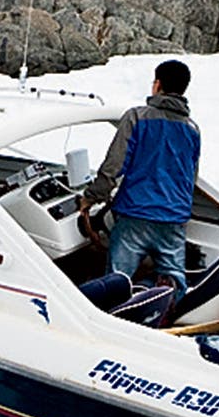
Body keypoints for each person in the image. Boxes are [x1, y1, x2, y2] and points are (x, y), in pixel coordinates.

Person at [85, 59, 201, 296]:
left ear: (157, 84)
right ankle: (169, 322)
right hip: (174, 221)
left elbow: (114, 166)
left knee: (118, 283)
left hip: (135, 216)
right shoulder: (192, 129)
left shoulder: (137, 118)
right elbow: (191, 179)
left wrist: (91, 197)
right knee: (175, 286)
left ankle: (114, 321)